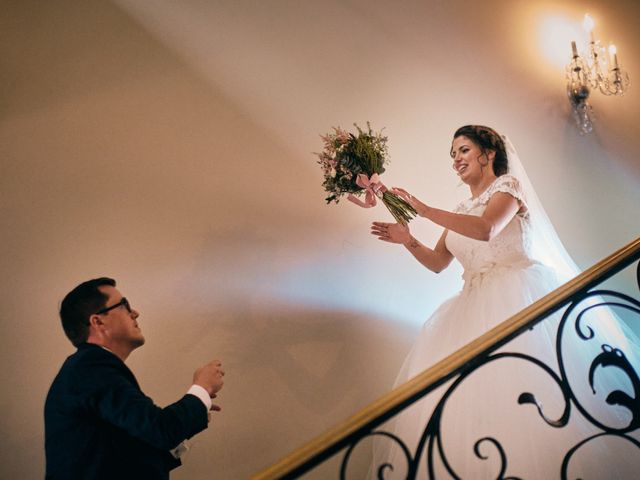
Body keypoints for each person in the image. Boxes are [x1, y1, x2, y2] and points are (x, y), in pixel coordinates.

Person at [369, 125, 639, 478]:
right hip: (470, 310)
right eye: (452, 155)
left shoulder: (508, 189)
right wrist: (408, 239)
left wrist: (421, 208)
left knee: (533, 391)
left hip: (520, 298)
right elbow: (438, 263)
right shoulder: (460, 208)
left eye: (463, 150)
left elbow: (486, 229)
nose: (456, 160)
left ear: (489, 153)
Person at [44, 277, 225, 480]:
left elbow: (128, 452)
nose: (135, 313)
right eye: (125, 305)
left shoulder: (89, 368)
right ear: (98, 321)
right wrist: (202, 388)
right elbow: (160, 428)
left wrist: (194, 411)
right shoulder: (91, 367)